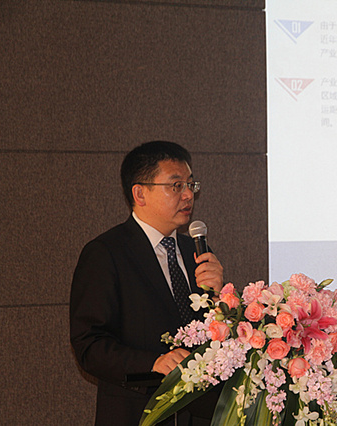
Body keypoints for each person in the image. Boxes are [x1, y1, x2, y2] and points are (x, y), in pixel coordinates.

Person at [70, 141, 224, 425]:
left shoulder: (196, 251)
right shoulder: (106, 253)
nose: (188, 195)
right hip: (138, 413)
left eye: (191, 184)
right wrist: (153, 362)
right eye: (176, 185)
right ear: (140, 193)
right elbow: (89, 345)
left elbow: (213, 337)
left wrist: (219, 299)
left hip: (200, 415)